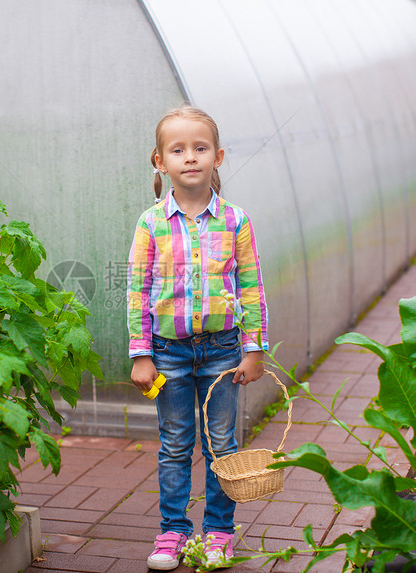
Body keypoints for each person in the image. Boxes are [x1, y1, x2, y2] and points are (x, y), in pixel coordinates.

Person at [127, 106, 269, 570]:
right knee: (174, 444)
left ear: (219, 156)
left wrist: (254, 347)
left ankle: (219, 532)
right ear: (160, 161)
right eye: (178, 149)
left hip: (222, 353)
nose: (190, 157)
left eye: (200, 148)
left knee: (221, 444)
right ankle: (172, 531)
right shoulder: (151, 223)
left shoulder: (235, 220)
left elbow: (251, 285)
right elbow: (137, 289)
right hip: (167, 353)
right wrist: (140, 354)